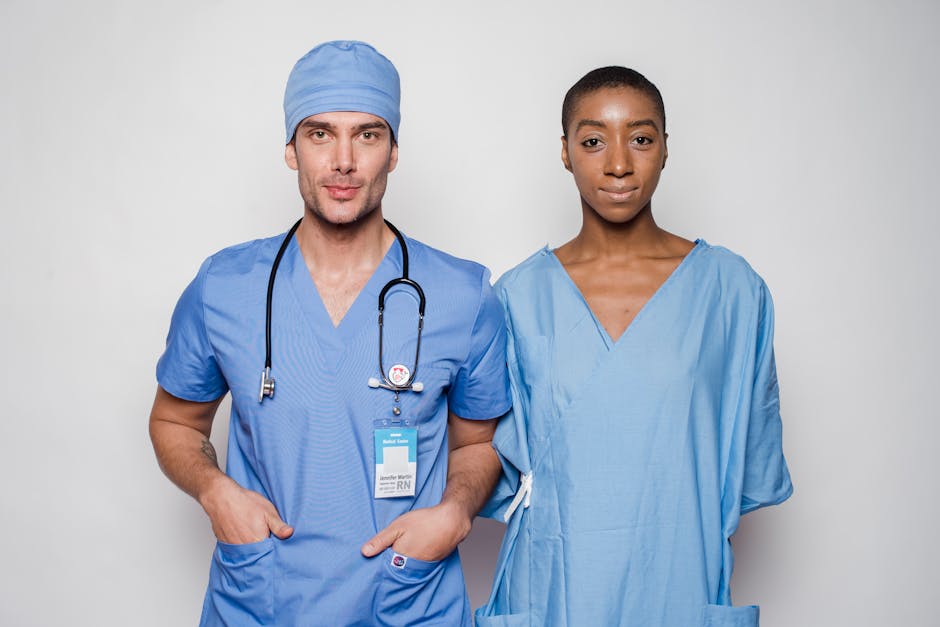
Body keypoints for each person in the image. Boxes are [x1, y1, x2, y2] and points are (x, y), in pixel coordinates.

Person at [149, 40, 511, 626]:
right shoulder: (225, 286)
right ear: (290, 150)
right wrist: (216, 492)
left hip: (408, 601)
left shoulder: (463, 296)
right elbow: (174, 421)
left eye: (367, 135)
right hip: (263, 601)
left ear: (394, 152)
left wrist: (456, 511)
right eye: (320, 134)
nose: (344, 161)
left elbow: (478, 442)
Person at [476, 66, 793, 627]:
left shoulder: (732, 292)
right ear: (566, 152)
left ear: (666, 148)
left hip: (676, 580)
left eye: (641, 139)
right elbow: (487, 462)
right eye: (593, 141)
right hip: (553, 586)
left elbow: (748, 465)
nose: (618, 164)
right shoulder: (517, 297)